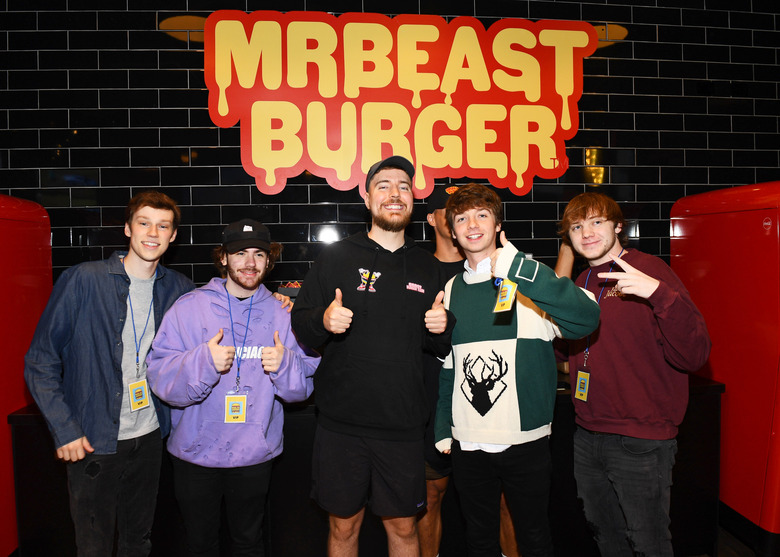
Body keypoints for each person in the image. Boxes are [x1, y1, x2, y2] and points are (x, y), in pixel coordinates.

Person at [291, 156, 454, 557]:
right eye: (383, 186)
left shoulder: (428, 266)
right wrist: (323, 320)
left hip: (402, 425)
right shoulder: (335, 257)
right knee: (343, 527)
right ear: (367, 199)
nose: (394, 194)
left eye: (403, 186)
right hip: (340, 424)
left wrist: (443, 327)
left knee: (404, 528)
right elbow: (301, 323)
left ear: (412, 199)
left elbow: (442, 346)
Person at [24, 191, 195, 557]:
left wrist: (277, 300)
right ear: (128, 229)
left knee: (139, 541)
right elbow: (40, 360)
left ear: (173, 235)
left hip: (150, 435)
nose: (153, 233)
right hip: (93, 438)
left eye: (163, 226)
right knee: (94, 547)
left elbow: (220, 308)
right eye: (144, 223)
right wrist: (65, 429)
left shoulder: (179, 288)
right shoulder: (84, 279)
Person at [434, 183, 600, 557]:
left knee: (534, 537)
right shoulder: (452, 287)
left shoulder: (528, 276)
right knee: (479, 540)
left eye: (482, 215)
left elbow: (587, 319)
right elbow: (451, 367)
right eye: (462, 218)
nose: (472, 225)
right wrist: (444, 427)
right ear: (453, 231)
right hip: (468, 442)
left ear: (498, 225)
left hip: (526, 441)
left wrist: (519, 268)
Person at [145, 219, 319, 557]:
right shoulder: (188, 307)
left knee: (248, 543)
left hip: (253, 453)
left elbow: (302, 389)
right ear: (223, 258)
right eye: (240, 253)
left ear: (269, 260)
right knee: (200, 545)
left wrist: (284, 364)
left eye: (259, 254)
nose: (250, 263)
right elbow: (160, 378)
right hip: (195, 454)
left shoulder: (285, 313)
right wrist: (203, 361)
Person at [556, 192, 711, 557]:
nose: (587, 233)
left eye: (597, 222)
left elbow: (696, 353)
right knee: (606, 538)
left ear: (618, 227)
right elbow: (567, 350)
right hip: (588, 433)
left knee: (649, 544)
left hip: (640, 439)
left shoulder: (648, 269)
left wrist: (659, 294)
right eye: (577, 226)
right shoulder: (583, 281)